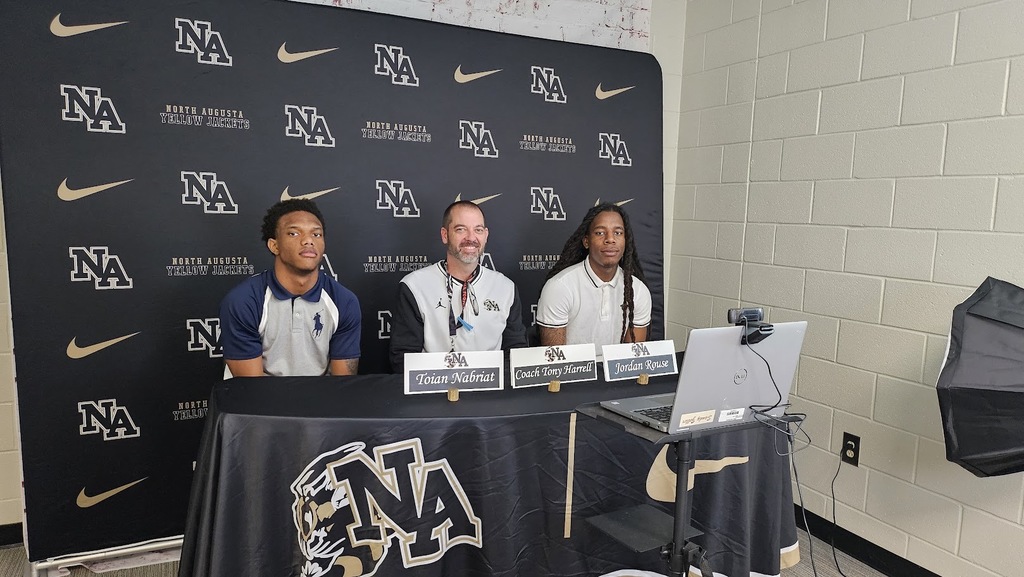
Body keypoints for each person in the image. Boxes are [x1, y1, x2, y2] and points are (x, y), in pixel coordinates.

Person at [219, 199, 361, 377]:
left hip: (321, 395)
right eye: (294, 233)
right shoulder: (244, 301)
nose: (308, 240)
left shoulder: (344, 301)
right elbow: (251, 387)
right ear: (274, 245)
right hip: (260, 394)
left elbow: (343, 384)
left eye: (316, 234)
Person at [390, 200, 527, 372]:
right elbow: (404, 359)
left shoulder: (505, 287)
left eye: (478, 230)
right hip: (435, 385)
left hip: (491, 386)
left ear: (486, 235)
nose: (471, 238)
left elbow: (515, 352)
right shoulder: (414, 286)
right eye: (461, 229)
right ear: (445, 235)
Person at [536, 203, 652, 347]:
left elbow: (632, 356)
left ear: (626, 241)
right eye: (600, 233)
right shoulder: (560, 287)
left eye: (618, 233)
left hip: (616, 363)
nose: (610, 239)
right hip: (572, 362)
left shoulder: (638, 290)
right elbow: (555, 358)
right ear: (586, 241)